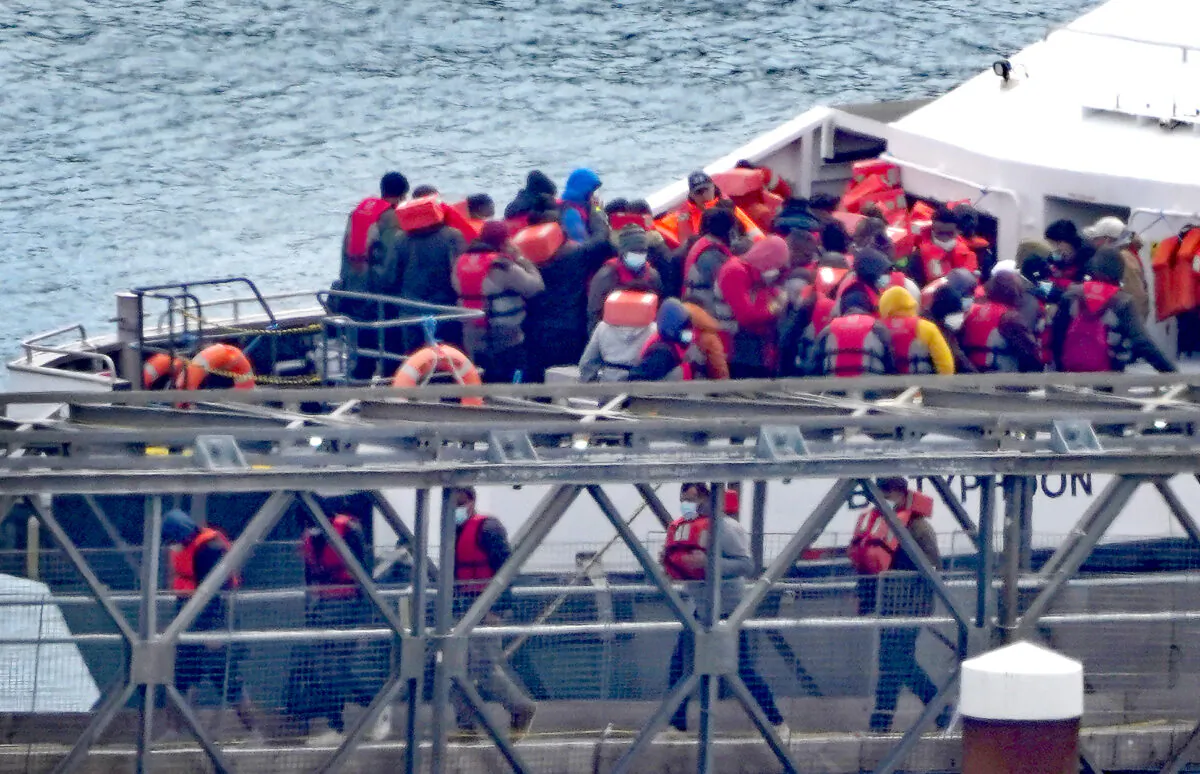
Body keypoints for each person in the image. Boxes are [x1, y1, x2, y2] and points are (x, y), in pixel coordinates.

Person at [658, 483, 788, 740]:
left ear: (707, 497)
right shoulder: (685, 528)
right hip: (697, 609)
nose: (687, 505)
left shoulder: (727, 528)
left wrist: (708, 563)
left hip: (727, 609)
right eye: (684, 499)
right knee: (680, 667)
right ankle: (677, 725)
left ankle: (775, 721)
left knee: (740, 670)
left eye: (692, 499)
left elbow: (747, 564)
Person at [849, 478, 952, 734]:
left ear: (899, 494)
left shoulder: (919, 528)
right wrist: (865, 597)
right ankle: (884, 722)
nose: (884, 500)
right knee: (893, 663)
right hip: (889, 607)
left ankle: (935, 711)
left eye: (888, 494)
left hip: (911, 606)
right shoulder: (883, 526)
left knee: (896, 662)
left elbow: (934, 568)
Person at [289, 503, 389, 745]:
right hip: (322, 608)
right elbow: (310, 577)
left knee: (337, 669)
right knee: (325, 670)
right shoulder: (310, 538)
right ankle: (335, 725)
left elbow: (363, 573)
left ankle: (379, 706)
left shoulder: (348, 529)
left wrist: (366, 617)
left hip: (347, 606)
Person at [161, 509, 263, 740]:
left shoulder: (211, 548)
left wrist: (214, 631)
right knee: (181, 675)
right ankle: (173, 731)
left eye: (174, 540)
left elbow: (219, 592)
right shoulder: (182, 547)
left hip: (212, 619)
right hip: (187, 618)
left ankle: (254, 732)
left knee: (226, 676)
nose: (173, 545)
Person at [449, 487, 537, 739]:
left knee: (485, 666)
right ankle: (465, 725)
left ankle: (521, 708)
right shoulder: (454, 532)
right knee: (455, 667)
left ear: (471, 501)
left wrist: (497, 608)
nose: (456, 510)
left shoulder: (488, 528)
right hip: (463, 605)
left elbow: (506, 570)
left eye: (460, 503)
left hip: (486, 606)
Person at [522, 209, 615, 382]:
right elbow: (601, 239)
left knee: (536, 381)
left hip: (535, 331)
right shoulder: (574, 257)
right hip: (569, 329)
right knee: (565, 377)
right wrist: (595, 210)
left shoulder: (524, 261)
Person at [1051, 248, 1175, 373]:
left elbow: (1056, 335)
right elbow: (1142, 342)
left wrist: (1059, 370)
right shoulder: (1121, 301)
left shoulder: (1071, 295)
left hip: (1070, 371)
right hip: (1109, 373)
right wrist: (1171, 373)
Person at [337, 171, 409, 379]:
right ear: (404, 194)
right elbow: (390, 257)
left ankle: (358, 386)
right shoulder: (391, 218)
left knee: (362, 347)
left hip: (353, 288)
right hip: (379, 292)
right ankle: (390, 387)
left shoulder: (357, 213)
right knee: (391, 346)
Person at [453, 222, 544, 383]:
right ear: (504, 242)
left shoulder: (460, 262)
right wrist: (521, 258)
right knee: (511, 379)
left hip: (472, 337)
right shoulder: (502, 266)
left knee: (482, 379)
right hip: (506, 338)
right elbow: (535, 287)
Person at [396, 197, 467, 354]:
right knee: (451, 355)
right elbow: (459, 273)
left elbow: (391, 277)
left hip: (410, 311)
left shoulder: (400, 239)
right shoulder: (452, 236)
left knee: (414, 359)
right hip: (446, 309)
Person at [716, 234, 788, 378]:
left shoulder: (754, 273)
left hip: (754, 349)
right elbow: (746, 315)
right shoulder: (735, 271)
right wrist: (774, 308)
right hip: (734, 348)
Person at [958, 272, 1043, 373]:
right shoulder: (1010, 318)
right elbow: (1031, 353)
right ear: (1014, 293)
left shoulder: (972, 311)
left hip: (972, 374)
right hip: (1000, 378)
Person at [586, 227, 663, 331]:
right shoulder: (605, 276)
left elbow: (658, 308)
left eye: (642, 251)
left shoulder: (652, 276)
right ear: (623, 252)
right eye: (634, 251)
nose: (639, 255)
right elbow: (593, 313)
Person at [662, 171, 764, 247]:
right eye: (698, 192)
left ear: (713, 187)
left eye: (706, 190)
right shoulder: (684, 216)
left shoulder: (727, 207)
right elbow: (685, 246)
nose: (704, 195)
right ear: (691, 195)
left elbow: (753, 232)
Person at [808, 292, 895, 376]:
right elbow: (890, 366)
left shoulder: (827, 330)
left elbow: (813, 367)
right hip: (870, 387)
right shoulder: (878, 328)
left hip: (833, 388)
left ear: (843, 308)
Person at [579, 291, 659, 382]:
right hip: (638, 385)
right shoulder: (654, 330)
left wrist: (590, 382)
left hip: (608, 383)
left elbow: (587, 362)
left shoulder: (603, 327)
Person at [1083, 216, 1150, 320]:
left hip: (1120, 321)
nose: (1093, 242)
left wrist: (1131, 325)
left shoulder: (1123, 258)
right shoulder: (1123, 255)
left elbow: (1136, 295)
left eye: (1096, 238)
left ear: (1107, 239)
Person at [877, 286, 955, 375]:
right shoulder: (927, 327)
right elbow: (946, 365)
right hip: (921, 386)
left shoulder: (877, 328)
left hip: (885, 386)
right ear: (911, 304)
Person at [682, 208, 737, 315]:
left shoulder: (705, 244)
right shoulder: (711, 256)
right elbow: (727, 288)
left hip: (698, 305)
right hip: (706, 312)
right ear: (727, 230)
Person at [908, 207, 978, 287]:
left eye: (949, 233)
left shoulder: (968, 256)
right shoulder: (918, 256)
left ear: (958, 232)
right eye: (940, 233)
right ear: (932, 231)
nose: (945, 238)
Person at [629, 299, 695, 381]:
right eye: (685, 330)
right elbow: (636, 379)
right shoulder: (662, 353)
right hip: (663, 392)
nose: (690, 335)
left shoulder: (671, 346)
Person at [1044, 219, 1094, 289]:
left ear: (1070, 240)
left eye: (1058, 243)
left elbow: (1083, 285)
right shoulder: (1055, 256)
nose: (1056, 248)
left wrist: (1062, 281)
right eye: (1052, 244)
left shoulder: (1088, 257)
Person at [559, 168, 605, 243]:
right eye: (592, 192)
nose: (594, 196)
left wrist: (597, 209)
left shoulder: (584, 206)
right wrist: (597, 213)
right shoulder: (570, 213)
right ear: (584, 190)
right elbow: (582, 244)